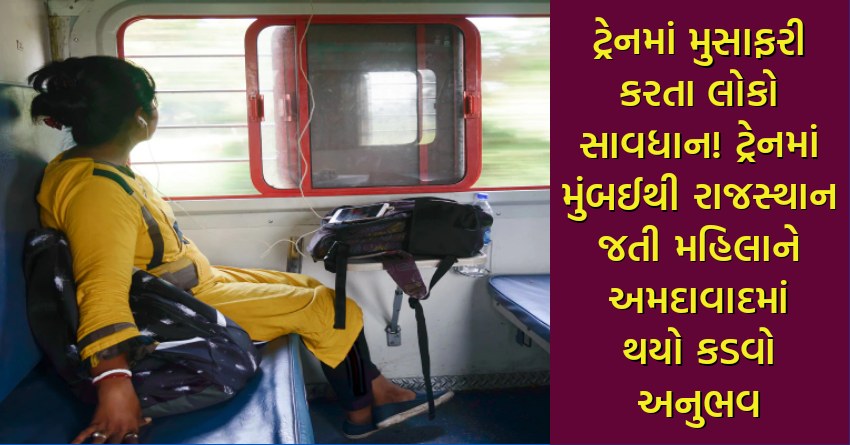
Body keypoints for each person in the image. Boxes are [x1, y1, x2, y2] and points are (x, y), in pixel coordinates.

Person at [29, 56, 453, 444]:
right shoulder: (97, 191)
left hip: (188, 285)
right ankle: (364, 415)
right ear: (141, 117)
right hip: (172, 307)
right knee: (328, 308)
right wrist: (114, 381)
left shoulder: (102, 169)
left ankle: (375, 390)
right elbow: (101, 285)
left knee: (311, 289)